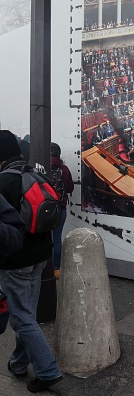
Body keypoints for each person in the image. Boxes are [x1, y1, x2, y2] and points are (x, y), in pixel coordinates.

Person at [0, 130, 63, 392]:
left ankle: (48, 371)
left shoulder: (3, 182)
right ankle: (18, 362)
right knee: (26, 314)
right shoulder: (34, 173)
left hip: (17, 261)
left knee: (22, 318)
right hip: (41, 256)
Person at [50, 143, 74, 279]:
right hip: (61, 209)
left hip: (44, 210)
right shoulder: (64, 169)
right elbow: (70, 188)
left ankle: (44, 267)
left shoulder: (42, 167)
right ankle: (56, 269)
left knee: (45, 238)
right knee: (57, 238)